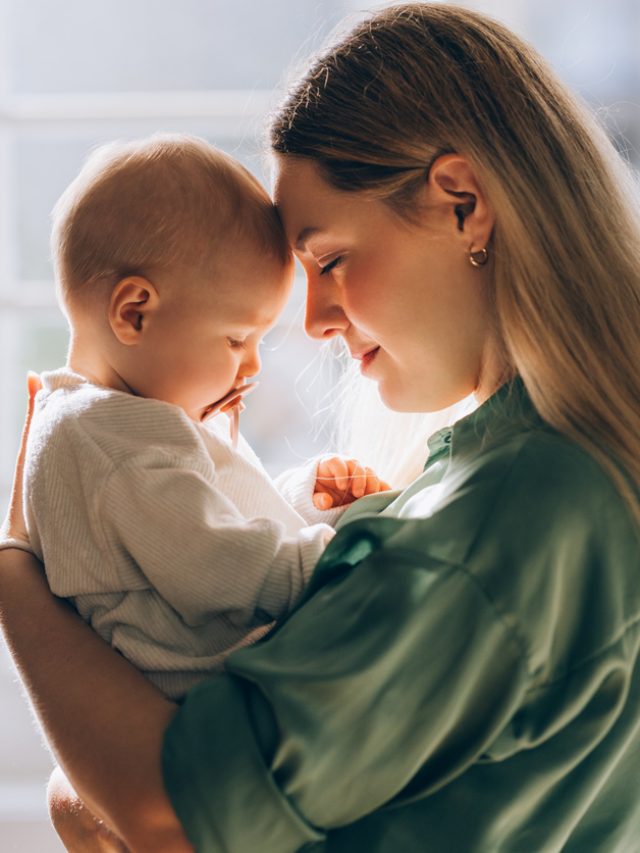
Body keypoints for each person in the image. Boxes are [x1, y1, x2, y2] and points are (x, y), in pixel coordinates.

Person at [1, 3, 640, 851]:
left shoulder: (509, 517)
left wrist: (16, 577)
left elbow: (171, 814)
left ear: (462, 204)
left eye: (330, 260)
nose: (314, 320)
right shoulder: (534, 471)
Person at [18, 133, 390, 701]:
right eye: (237, 338)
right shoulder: (106, 442)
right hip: (223, 696)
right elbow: (219, 569)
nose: (253, 364)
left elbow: (195, 528)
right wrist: (343, 556)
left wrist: (299, 499)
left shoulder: (118, 421)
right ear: (134, 314)